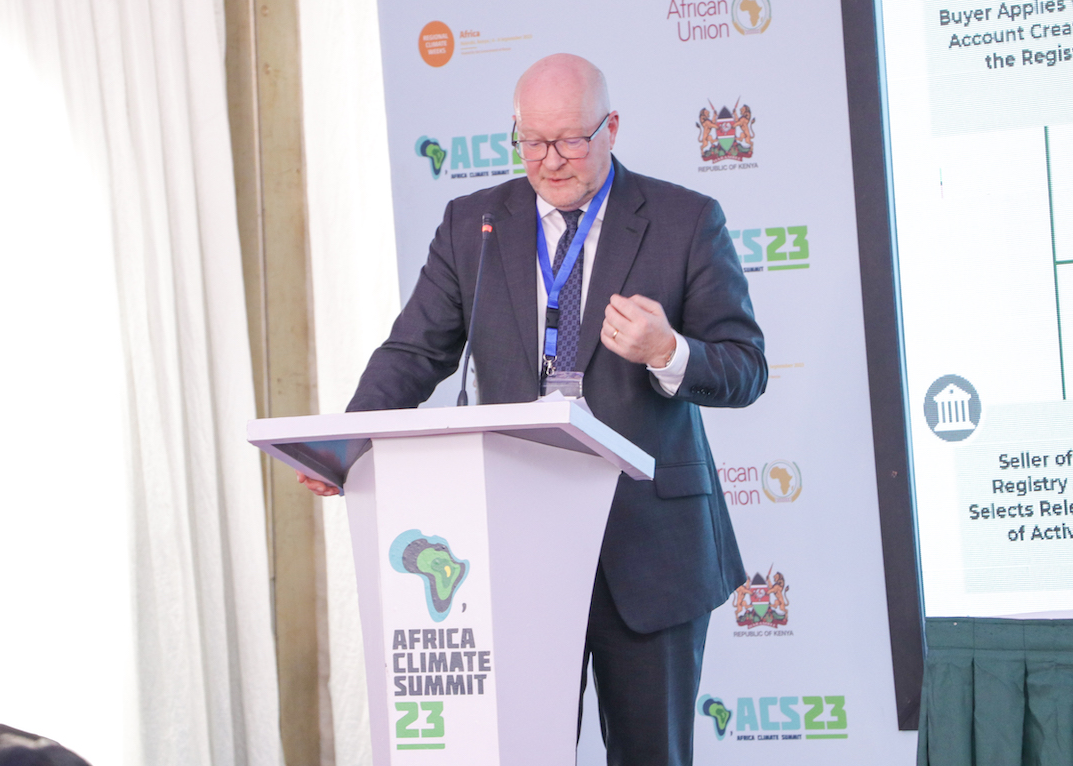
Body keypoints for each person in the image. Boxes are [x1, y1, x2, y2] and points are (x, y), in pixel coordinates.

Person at [300, 53, 767, 765]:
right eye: (532, 141)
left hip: (650, 547)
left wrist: (668, 349)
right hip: (517, 546)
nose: (549, 161)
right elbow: (414, 353)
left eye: (570, 141)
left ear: (611, 128)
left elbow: (745, 367)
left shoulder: (685, 220)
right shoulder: (475, 224)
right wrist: (346, 445)